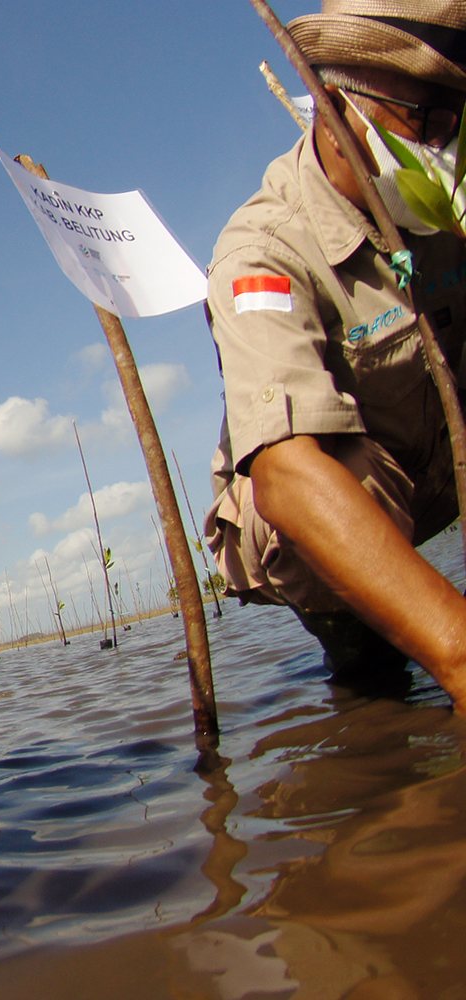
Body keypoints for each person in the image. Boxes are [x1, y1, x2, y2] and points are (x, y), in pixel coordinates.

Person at [204, 0, 466, 704]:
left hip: (441, 471)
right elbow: (288, 475)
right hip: (339, 512)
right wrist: (460, 652)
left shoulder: (454, 197)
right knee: (324, 469)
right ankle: (369, 663)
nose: (451, 144)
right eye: (430, 119)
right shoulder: (262, 253)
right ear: (333, 105)